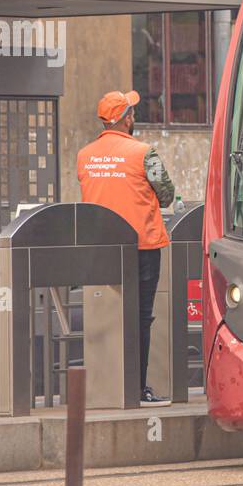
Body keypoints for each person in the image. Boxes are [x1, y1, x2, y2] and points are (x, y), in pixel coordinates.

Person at [76, 90, 175, 407]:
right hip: (143, 245)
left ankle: (108, 388)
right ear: (126, 119)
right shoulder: (145, 153)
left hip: (102, 249)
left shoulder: (85, 155)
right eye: (131, 112)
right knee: (141, 317)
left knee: (110, 316)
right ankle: (137, 387)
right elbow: (168, 194)